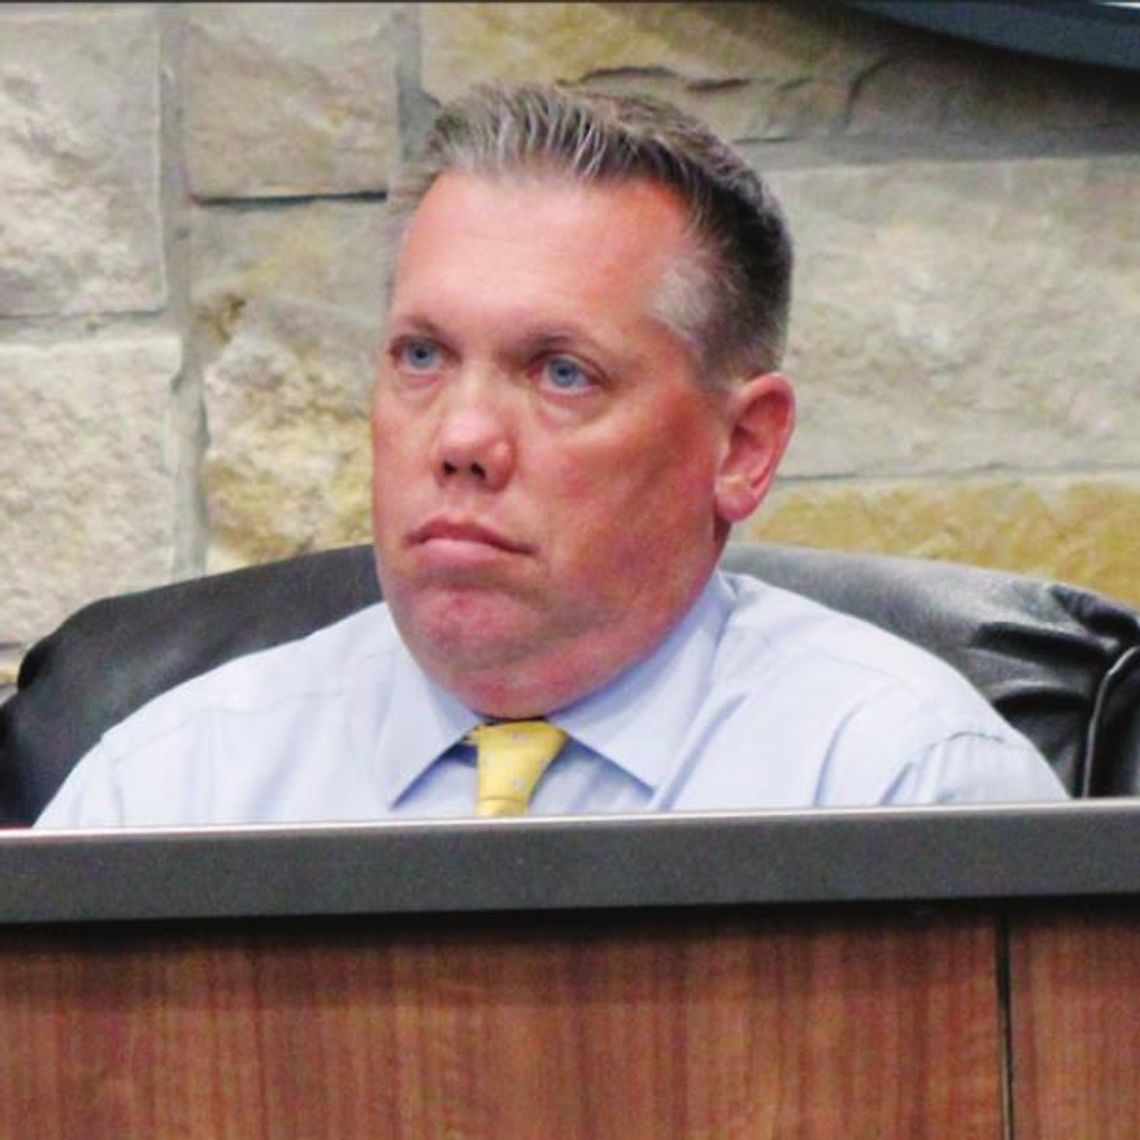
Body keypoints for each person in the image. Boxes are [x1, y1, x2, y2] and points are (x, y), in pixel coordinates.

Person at [36, 83, 1065, 827]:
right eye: (423, 357)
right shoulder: (166, 791)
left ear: (743, 449)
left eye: (560, 373)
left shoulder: (904, 786)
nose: (463, 441)